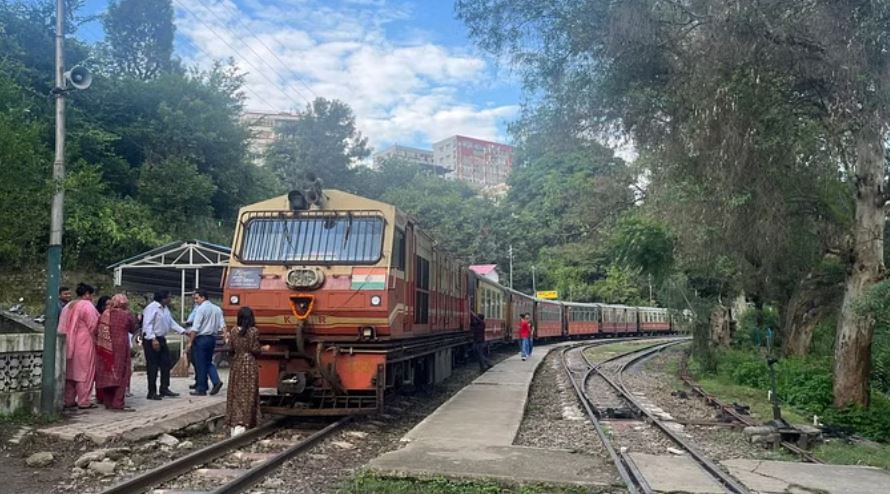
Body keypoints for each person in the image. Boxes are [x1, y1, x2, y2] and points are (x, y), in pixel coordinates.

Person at [58, 283, 100, 409]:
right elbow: (94, 325)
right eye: (91, 294)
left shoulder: (68, 305)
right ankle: (84, 400)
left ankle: (68, 400)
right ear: (87, 294)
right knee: (84, 372)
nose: (92, 297)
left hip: (67, 342)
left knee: (70, 373)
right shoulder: (87, 305)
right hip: (83, 342)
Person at [142, 290, 187, 400]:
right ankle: (152, 391)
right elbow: (147, 324)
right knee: (153, 365)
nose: (170, 299)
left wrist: (183, 331)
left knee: (166, 363)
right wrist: (153, 338)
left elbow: (171, 322)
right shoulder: (152, 308)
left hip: (161, 338)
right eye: (169, 297)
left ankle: (164, 387)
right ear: (163, 298)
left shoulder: (165, 309)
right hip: (152, 338)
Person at [95, 294, 137, 411]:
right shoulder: (126, 314)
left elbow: (96, 329)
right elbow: (133, 329)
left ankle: (108, 402)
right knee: (121, 374)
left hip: (105, 348)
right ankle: (118, 403)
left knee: (108, 374)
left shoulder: (105, 314)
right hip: (121, 347)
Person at [225, 307, 261, 436]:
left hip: (237, 364)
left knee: (235, 392)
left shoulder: (234, 330)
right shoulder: (253, 331)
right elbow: (255, 349)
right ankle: (246, 421)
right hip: (249, 364)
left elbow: (230, 348)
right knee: (249, 394)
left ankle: (234, 421)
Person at [188, 290, 225, 396]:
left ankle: (201, 388)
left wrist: (190, 342)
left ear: (203, 297)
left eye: (197, 298)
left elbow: (196, 327)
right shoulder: (217, 309)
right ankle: (216, 381)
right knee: (208, 362)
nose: (196, 301)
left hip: (201, 339)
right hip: (212, 338)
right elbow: (222, 325)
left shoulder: (201, 309)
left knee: (200, 364)